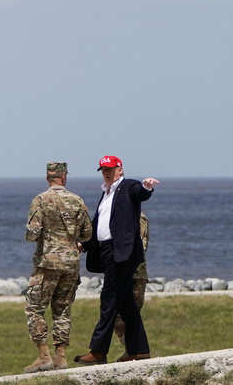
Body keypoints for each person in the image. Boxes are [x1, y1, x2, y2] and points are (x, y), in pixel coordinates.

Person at [75, 155, 159, 365]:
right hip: (107, 251)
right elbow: (99, 225)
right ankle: (139, 350)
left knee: (109, 299)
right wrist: (85, 244)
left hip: (121, 253)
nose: (107, 172)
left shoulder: (128, 186)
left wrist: (147, 187)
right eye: (104, 169)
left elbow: (141, 193)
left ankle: (98, 351)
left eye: (111, 169)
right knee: (126, 304)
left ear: (120, 169)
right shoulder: (105, 194)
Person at [24, 161, 92, 373]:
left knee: (34, 308)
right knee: (62, 309)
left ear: (48, 178)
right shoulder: (77, 200)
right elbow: (87, 233)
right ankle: (60, 357)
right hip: (71, 263)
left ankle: (44, 356)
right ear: (64, 177)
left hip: (48, 263)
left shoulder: (41, 200)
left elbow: (32, 234)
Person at [114, 212, 149, 360]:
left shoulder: (138, 216)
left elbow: (141, 245)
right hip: (120, 274)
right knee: (117, 318)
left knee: (127, 316)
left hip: (135, 275)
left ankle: (136, 351)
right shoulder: (116, 215)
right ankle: (133, 350)